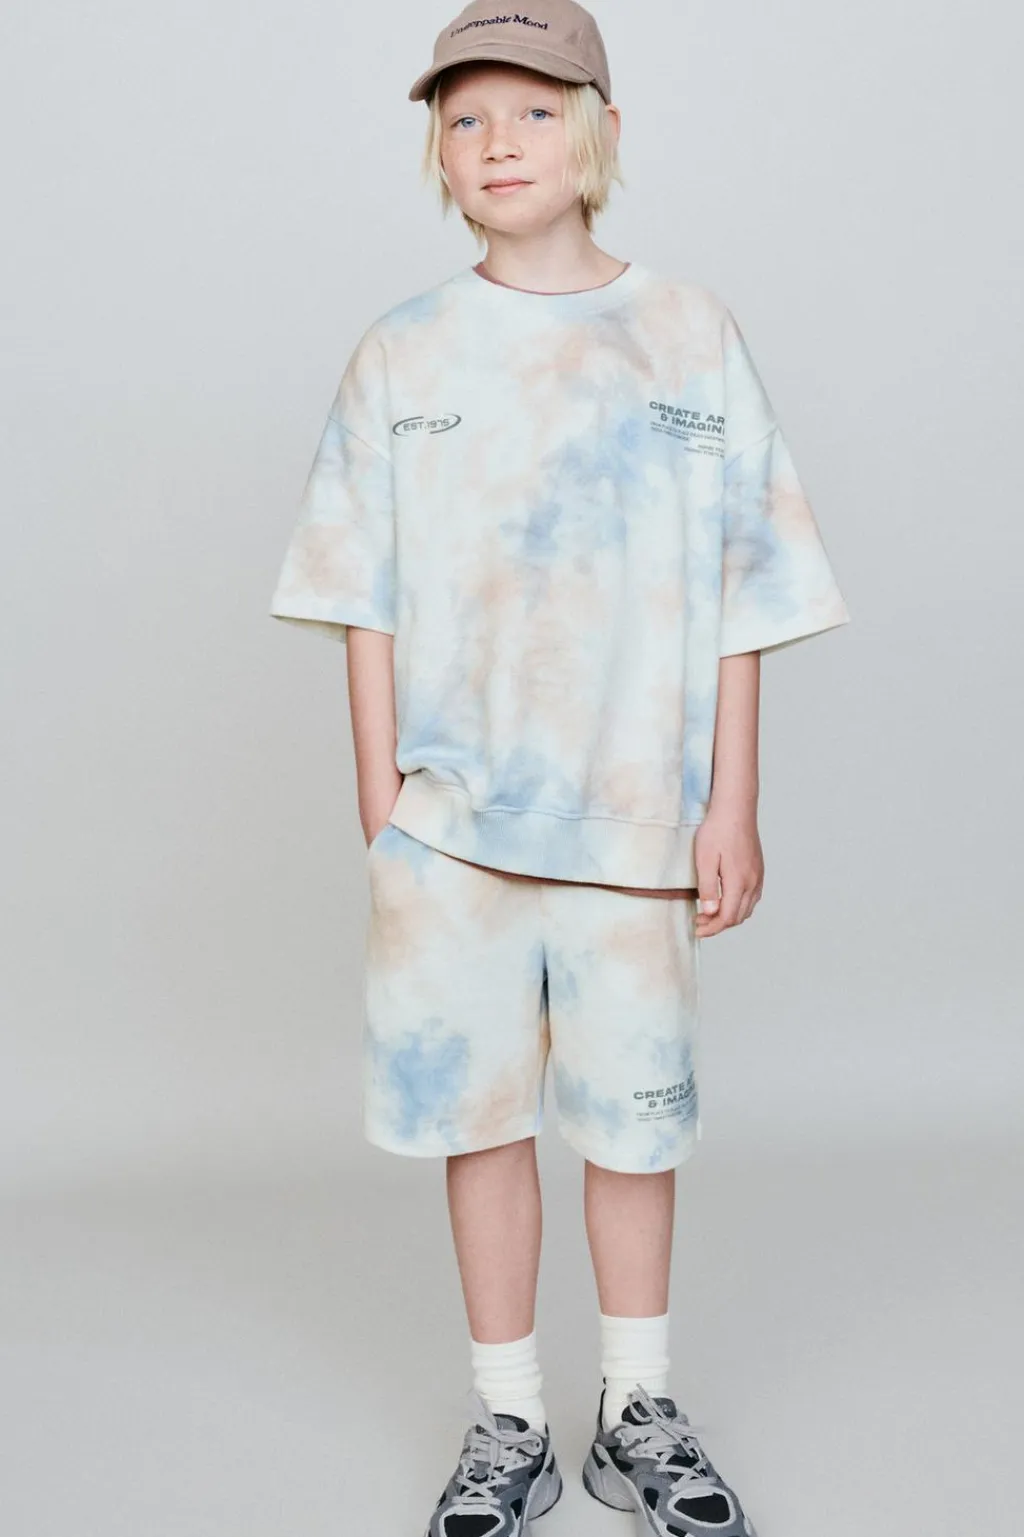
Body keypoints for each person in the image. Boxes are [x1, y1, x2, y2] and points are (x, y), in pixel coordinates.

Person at [269, 2, 850, 1533]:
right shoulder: (402, 352)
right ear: (436, 153)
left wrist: (731, 802)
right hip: (451, 833)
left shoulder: (689, 334)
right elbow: (360, 591)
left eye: (533, 111)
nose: (499, 142)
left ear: (599, 134)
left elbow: (743, 587)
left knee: (635, 1124)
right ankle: (510, 1418)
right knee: (480, 1121)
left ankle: (635, 1408)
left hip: (637, 825)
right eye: (466, 118)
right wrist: (382, 804)